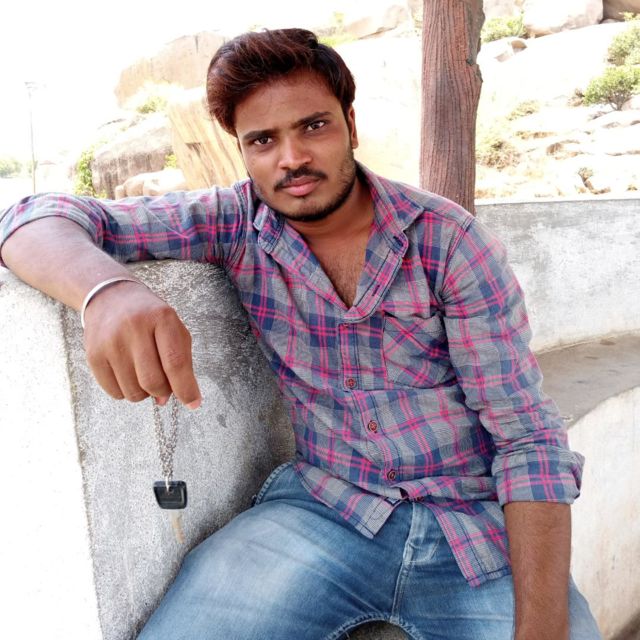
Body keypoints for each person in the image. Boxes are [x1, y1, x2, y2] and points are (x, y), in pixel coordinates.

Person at [0, 28, 600, 640]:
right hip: (326, 509)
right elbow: (30, 217)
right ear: (242, 150)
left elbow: (527, 440)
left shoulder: (448, 242)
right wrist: (107, 292)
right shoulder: (236, 221)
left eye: (313, 126)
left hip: (471, 528)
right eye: (263, 140)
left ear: (350, 125)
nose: (291, 158)